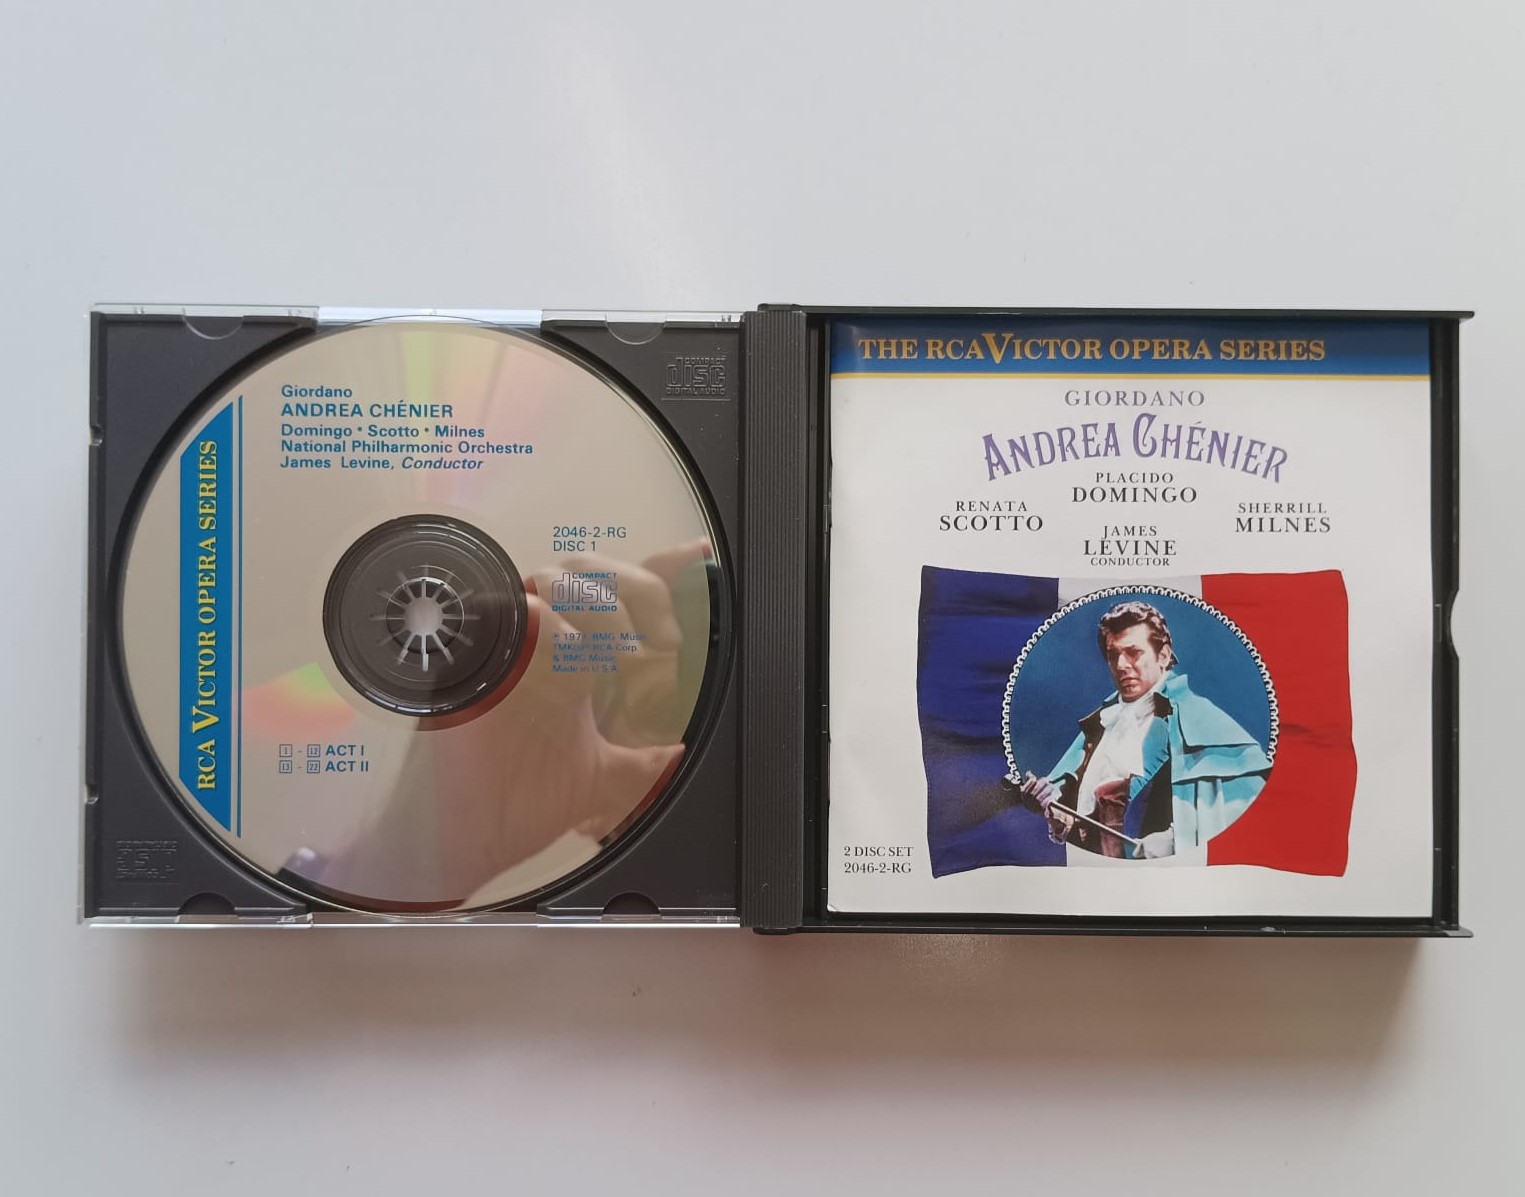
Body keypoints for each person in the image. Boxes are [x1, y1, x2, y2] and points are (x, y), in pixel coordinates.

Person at [1013, 600, 1270, 859]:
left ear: (1163, 656)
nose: (1121, 665)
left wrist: (1171, 843)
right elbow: (1083, 820)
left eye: (1133, 652)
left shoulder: (1202, 720)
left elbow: (1240, 812)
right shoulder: (1102, 724)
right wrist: (1058, 813)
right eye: (1113, 655)